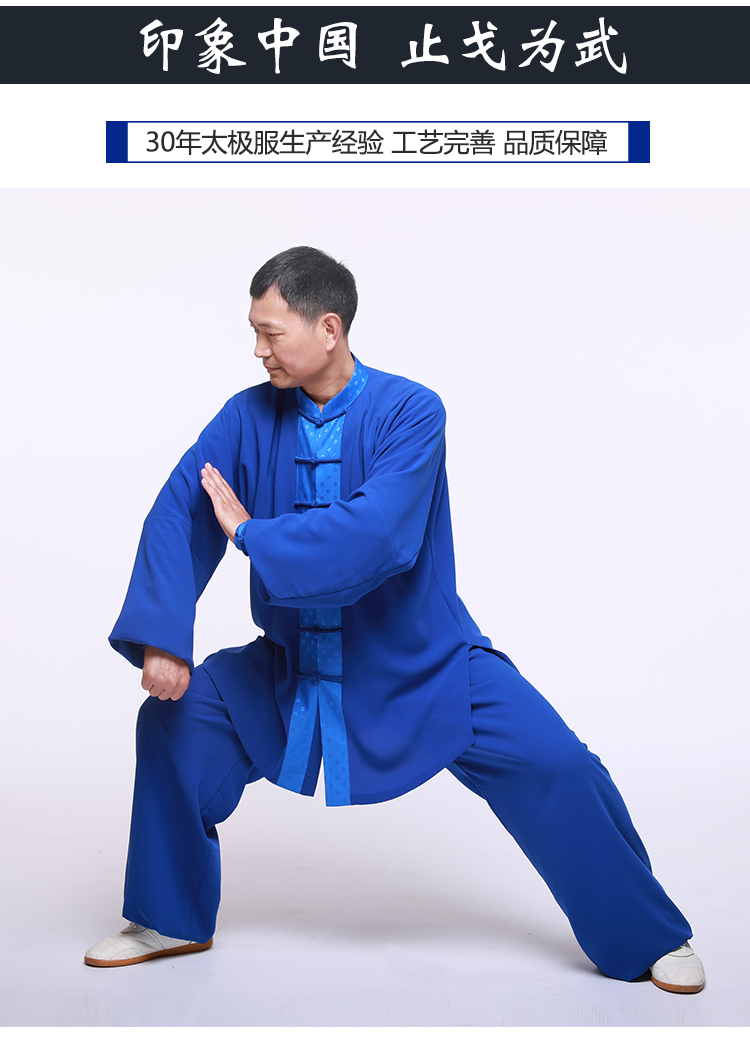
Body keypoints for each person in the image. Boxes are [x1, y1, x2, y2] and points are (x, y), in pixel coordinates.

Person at [84, 246, 704, 993]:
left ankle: (646, 935)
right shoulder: (244, 417)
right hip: (291, 667)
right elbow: (181, 506)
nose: (258, 350)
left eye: (271, 333)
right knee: (176, 720)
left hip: (422, 660)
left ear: (329, 328)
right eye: (254, 332)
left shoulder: (412, 411)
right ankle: (169, 917)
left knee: (558, 764)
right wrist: (164, 636)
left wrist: (250, 533)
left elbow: (377, 535)